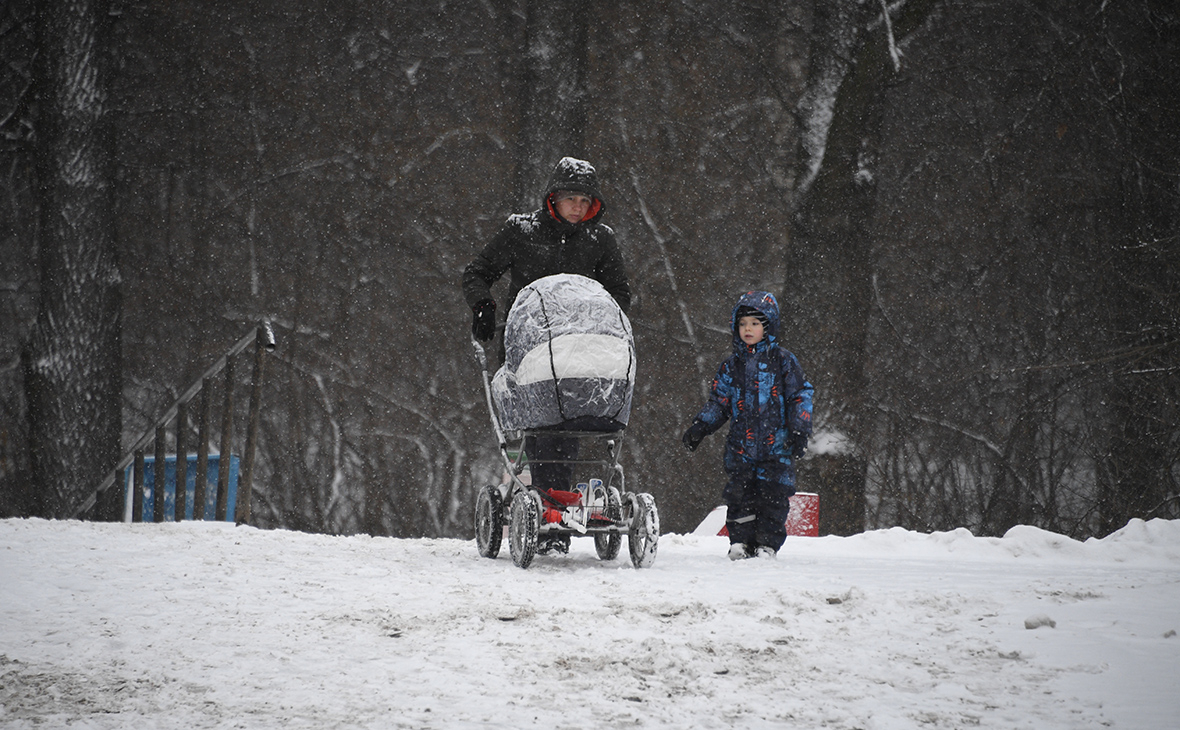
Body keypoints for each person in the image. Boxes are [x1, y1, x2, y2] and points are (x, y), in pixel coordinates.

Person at [463, 156, 631, 554]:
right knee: (539, 425)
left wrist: (600, 318)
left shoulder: (599, 240)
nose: (577, 207)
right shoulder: (521, 231)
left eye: (585, 200)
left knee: (567, 423)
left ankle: (554, 504)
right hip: (528, 344)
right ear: (553, 198)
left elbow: (619, 293)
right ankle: (543, 500)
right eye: (570, 198)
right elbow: (477, 272)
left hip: (578, 347)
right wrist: (483, 305)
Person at [681, 290, 813, 560]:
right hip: (741, 447)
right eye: (743, 324)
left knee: (773, 497)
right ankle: (740, 542)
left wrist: (799, 429)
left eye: (755, 323)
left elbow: (800, 395)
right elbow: (720, 402)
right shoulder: (732, 366)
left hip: (777, 446)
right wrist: (701, 427)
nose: (748, 329)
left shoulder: (784, 362)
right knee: (740, 496)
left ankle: (767, 544)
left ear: (768, 327)